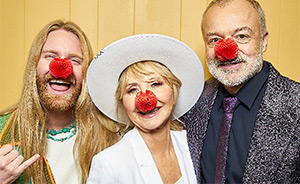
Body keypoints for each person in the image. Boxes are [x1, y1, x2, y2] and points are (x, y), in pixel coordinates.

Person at [184, 0, 300, 184]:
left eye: (241, 36)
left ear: (263, 41)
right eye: (214, 40)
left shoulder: (295, 103)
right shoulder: (193, 102)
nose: (227, 51)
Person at [0, 20, 119, 183]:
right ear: (34, 66)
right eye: (50, 56)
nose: (62, 68)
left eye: (75, 60)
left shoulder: (113, 137)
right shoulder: (2, 130)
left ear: (86, 73)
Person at [86, 34, 204, 183]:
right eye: (132, 89)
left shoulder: (193, 146)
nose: (146, 99)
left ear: (174, 92)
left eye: (155, 84)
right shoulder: (109, 164)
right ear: (122, 102)